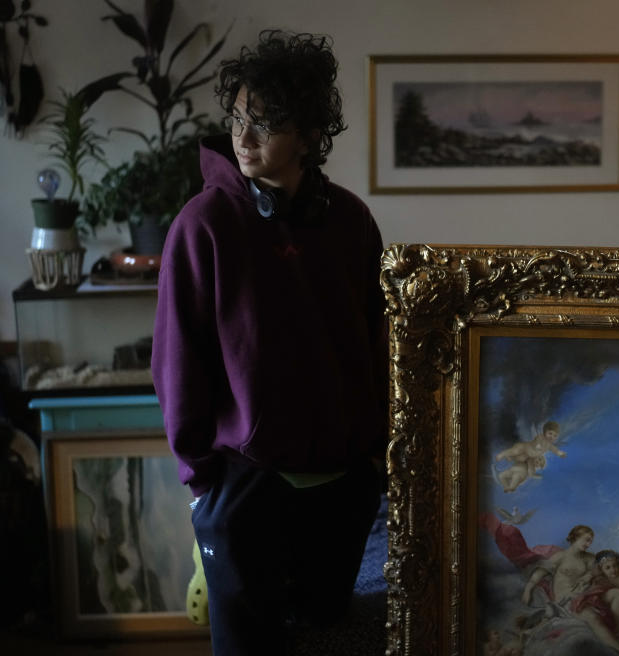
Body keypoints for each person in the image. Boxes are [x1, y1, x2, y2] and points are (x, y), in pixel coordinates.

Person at [151, 31, 387, 656]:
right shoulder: (203, 224)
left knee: (334, 641)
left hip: (343, 484)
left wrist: (374, 458)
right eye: (237, 121)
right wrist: (203, 483)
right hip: (246, 484)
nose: (244, 138)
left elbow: (377, 339)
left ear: (309, 135)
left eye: (265, 124)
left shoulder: (352, 220)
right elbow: (178, 365)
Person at [521, 525, 619, 656]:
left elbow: (603, 572)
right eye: (586, 540)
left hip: (587, 595)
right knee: (592, 617)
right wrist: (528, 589)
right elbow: (539, 574)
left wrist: (591, 576)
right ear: (575, 538)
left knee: (618, 593)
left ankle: (618, 631)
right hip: (567, 601)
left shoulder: (590, 558)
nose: (589, 544)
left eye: (590, 541)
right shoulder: (561, 557)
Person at [495, 420, 566, 492]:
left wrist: (560, 453)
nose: (552, 437)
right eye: (550, 433)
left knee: (521, 459)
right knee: (515, 451)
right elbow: (538, 440)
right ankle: (502, 454)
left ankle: (513, 461)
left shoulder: (549, 445)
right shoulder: (541, 437)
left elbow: (554, 449)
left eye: (555, 435)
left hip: (528, 455)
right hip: (524, 447)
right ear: (545, 432)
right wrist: (538, 446)